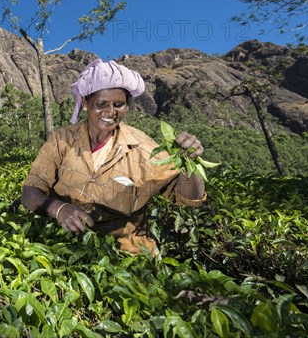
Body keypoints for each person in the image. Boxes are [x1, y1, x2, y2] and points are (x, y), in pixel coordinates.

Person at [22, 58, 207, 254]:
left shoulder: (142, 147)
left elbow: (188, 198)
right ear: (85, 103)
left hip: (127, 255)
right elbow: (30, 191)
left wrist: (189, 163)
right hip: (66, 249)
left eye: (119, 104)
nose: (110, 112)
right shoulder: (62, 140)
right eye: (101, 104)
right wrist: (60, 210)